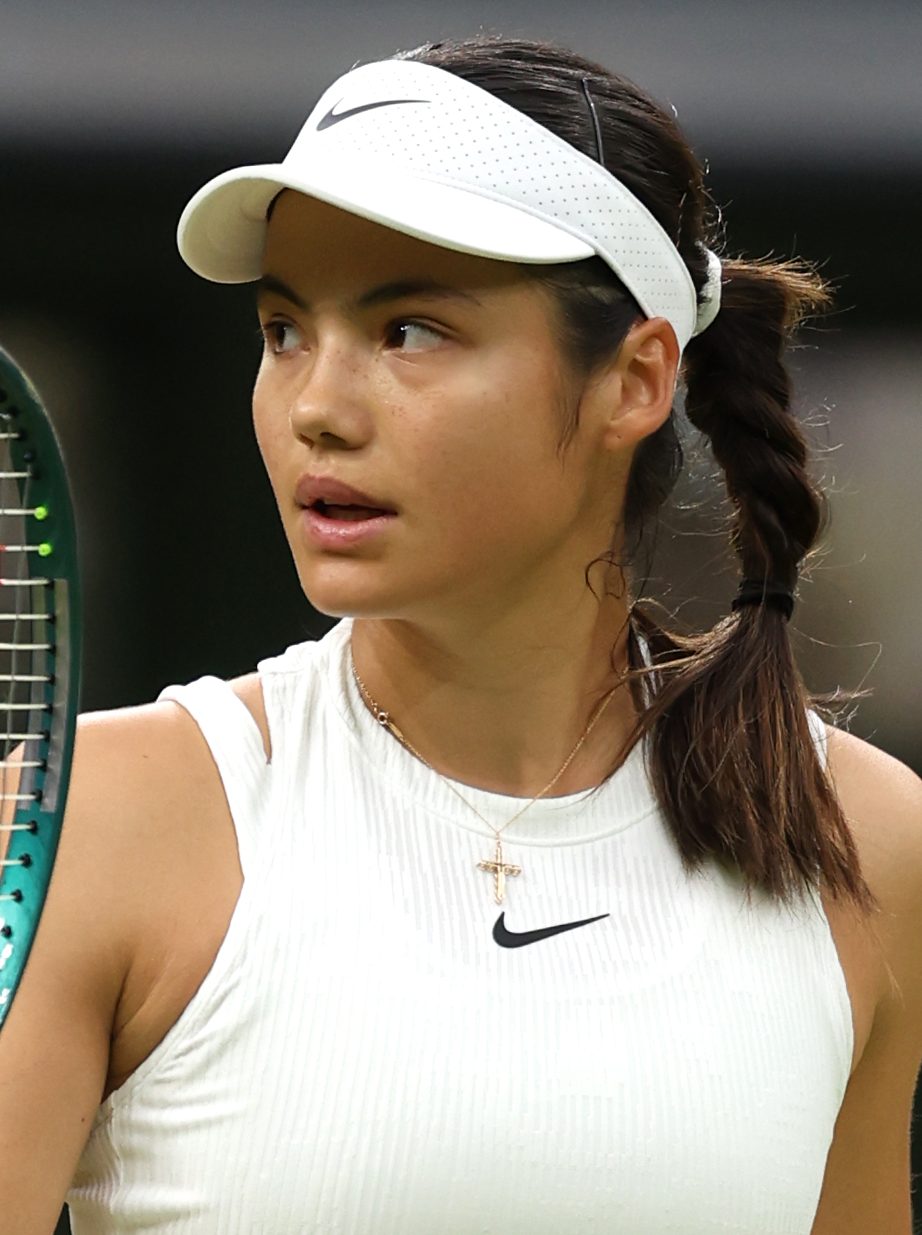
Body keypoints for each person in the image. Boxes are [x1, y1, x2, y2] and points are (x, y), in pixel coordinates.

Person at [2, 34, 920, 1235]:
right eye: (283, 331)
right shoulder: (82, 827)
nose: (317, 408)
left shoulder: (868, 840)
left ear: (636, 379)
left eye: (411, 331)